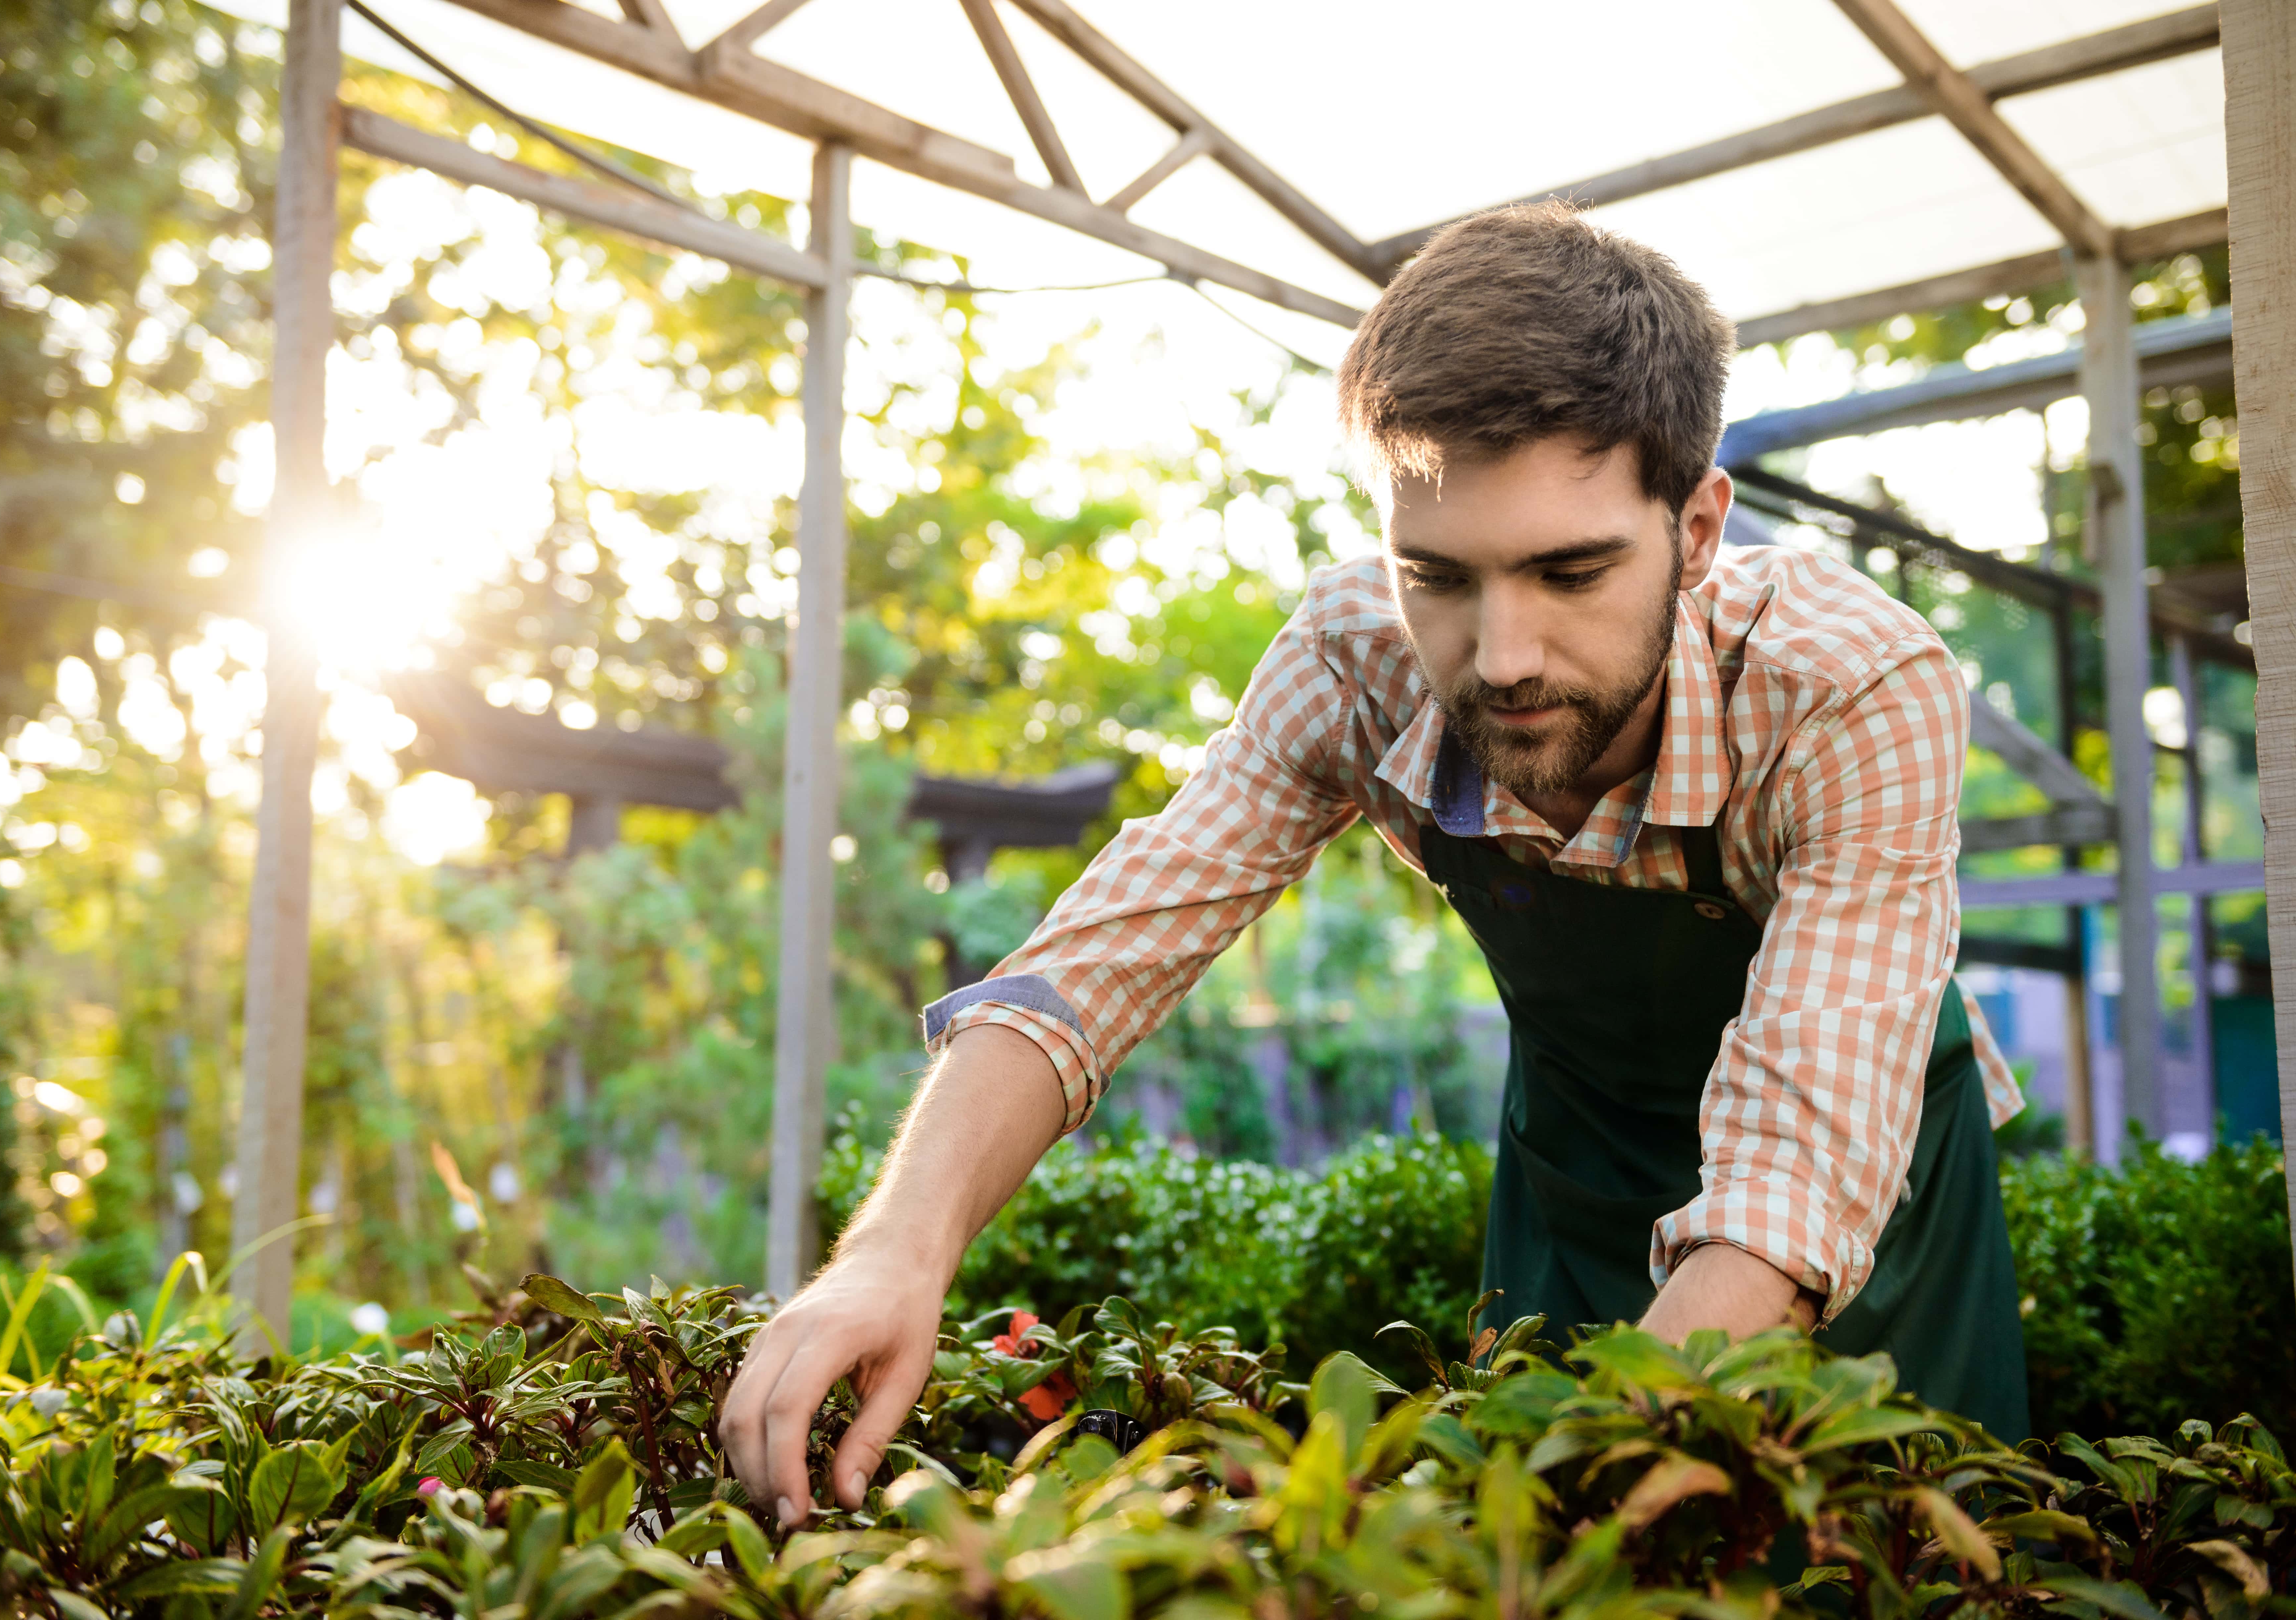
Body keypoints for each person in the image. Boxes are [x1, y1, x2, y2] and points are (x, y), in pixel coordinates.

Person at [720, 202, 2031, 1524]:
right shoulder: (1355, 655)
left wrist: (1578, 1473)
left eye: (1569, 571)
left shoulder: (1850, 689)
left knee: (1863, 1538)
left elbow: (1800, 1163)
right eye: (1440, 577)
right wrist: (891, 1251)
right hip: (1576, 1170)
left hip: (1867, 1203)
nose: (1501, 655)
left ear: (1696, 529)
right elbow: (1104, 954)